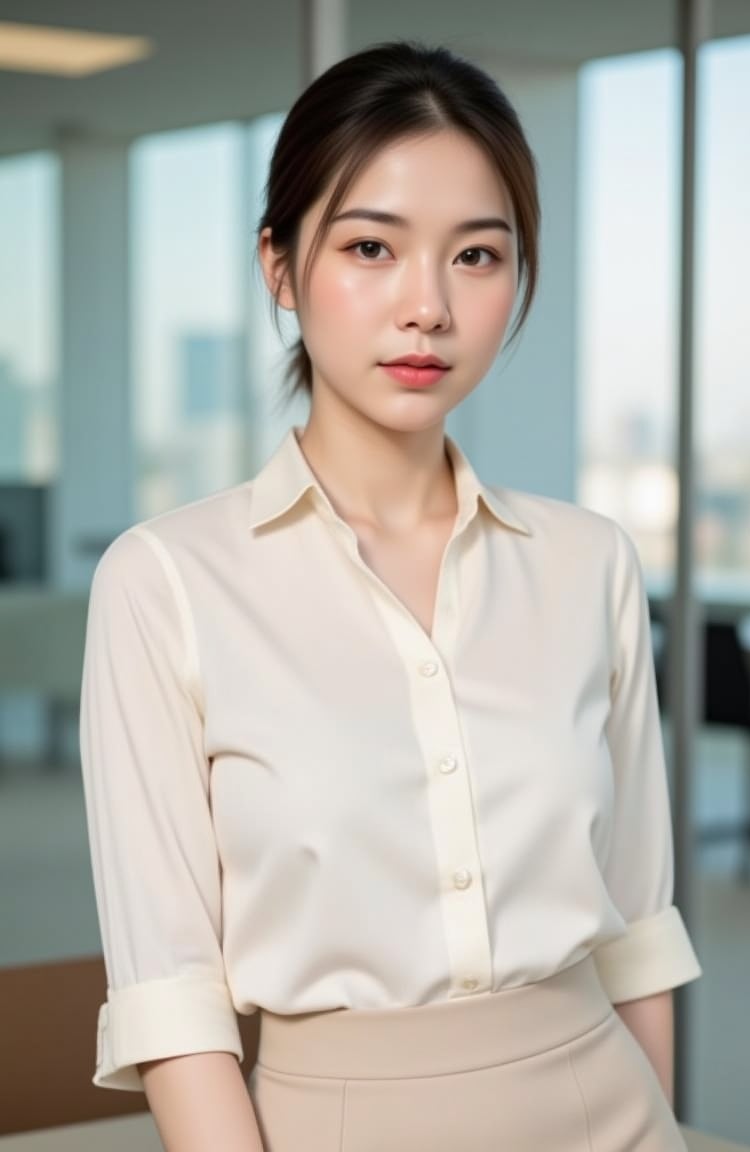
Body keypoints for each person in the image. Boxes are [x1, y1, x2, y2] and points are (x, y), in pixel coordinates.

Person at [79, 40, 702, 1152]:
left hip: (613, 1110)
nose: (429, 307)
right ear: (278, 266)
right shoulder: (166, 581)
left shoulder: (587, 561)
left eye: (477, 256)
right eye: (372, 247)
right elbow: (173, 994)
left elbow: (639, 926)